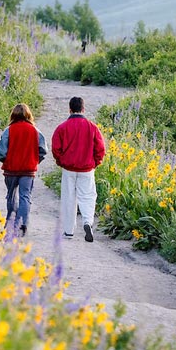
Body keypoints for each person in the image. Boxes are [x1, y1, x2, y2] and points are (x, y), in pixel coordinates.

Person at [51, 96, 107, 242]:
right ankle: (87, 221)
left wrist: (61, 161)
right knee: (88, 196)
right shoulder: (92, 127)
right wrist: (95, 162)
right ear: (83, 109)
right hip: (87, 168)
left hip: (68, 168)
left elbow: (56, 148)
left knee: (69, 198)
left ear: (69, 109)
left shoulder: (62, 128)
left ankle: (69, 231)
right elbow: (100, 148)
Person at [0, 103, 48, 235]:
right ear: (29, 115)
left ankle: (10, 221)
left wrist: (6, 160)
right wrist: (36, 160)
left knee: (11, 195)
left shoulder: (9, 130)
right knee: (25, 196)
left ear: (13, 115)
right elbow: (43, 150)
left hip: (11, 169)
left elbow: (1, 151)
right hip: (28, 169)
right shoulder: (35, 131)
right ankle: (22, 224)